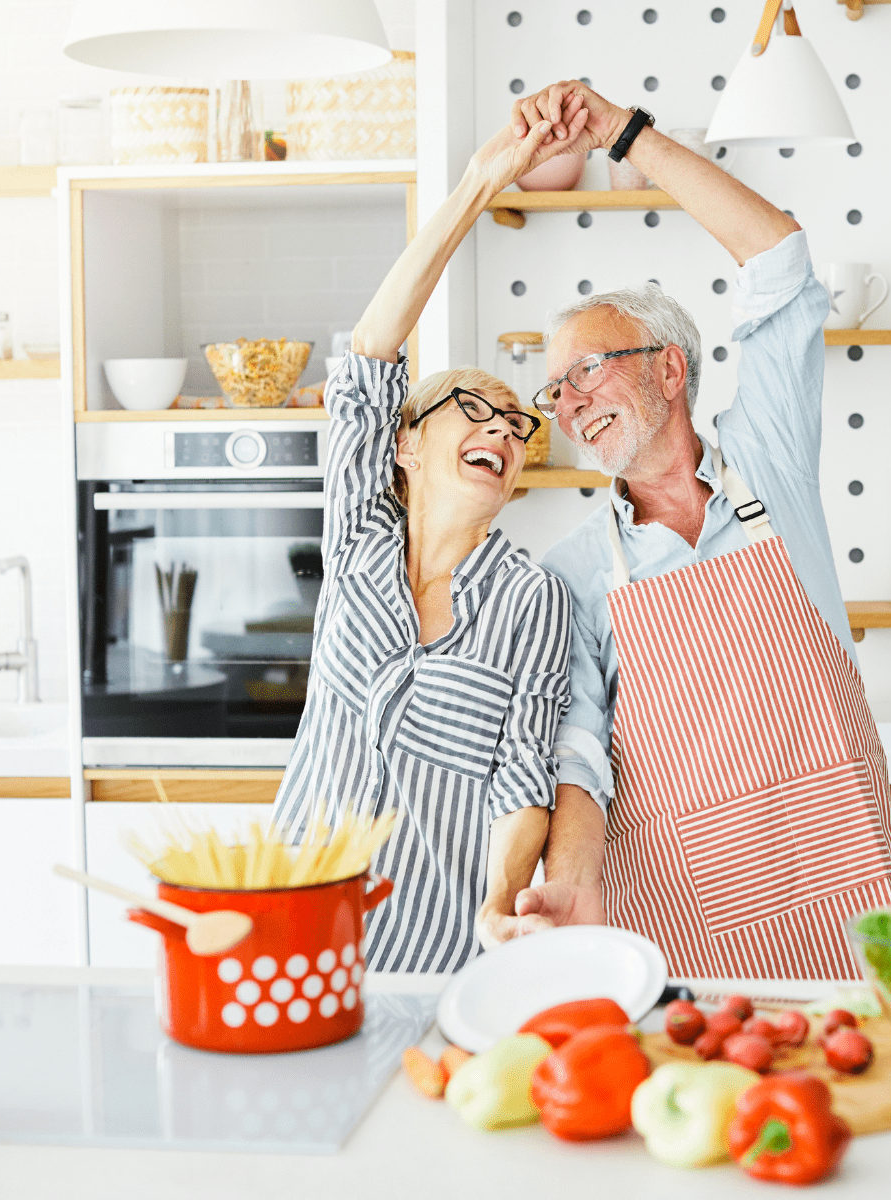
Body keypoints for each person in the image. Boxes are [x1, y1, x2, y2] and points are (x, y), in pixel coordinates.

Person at [480, 82, 891, 979]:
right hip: (692, 917)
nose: (567, 405)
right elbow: (579, 748)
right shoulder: (571, 573)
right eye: (554, 392)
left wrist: (621, 134)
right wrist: (570, 879)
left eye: (587, 372)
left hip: (849, 885)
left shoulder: (771, 469)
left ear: (669, 368)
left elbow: (780, 260)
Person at [272, 110, 591, 973]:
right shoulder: (359, 546)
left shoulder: (532, 599)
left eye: (516, 422)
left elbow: (523, 779)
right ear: (407, 444)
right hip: (294, 925)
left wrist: (497, 907)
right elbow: (373, 353)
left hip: (433, 954)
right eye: (473, 409)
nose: (503, 427)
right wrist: (480, 184)